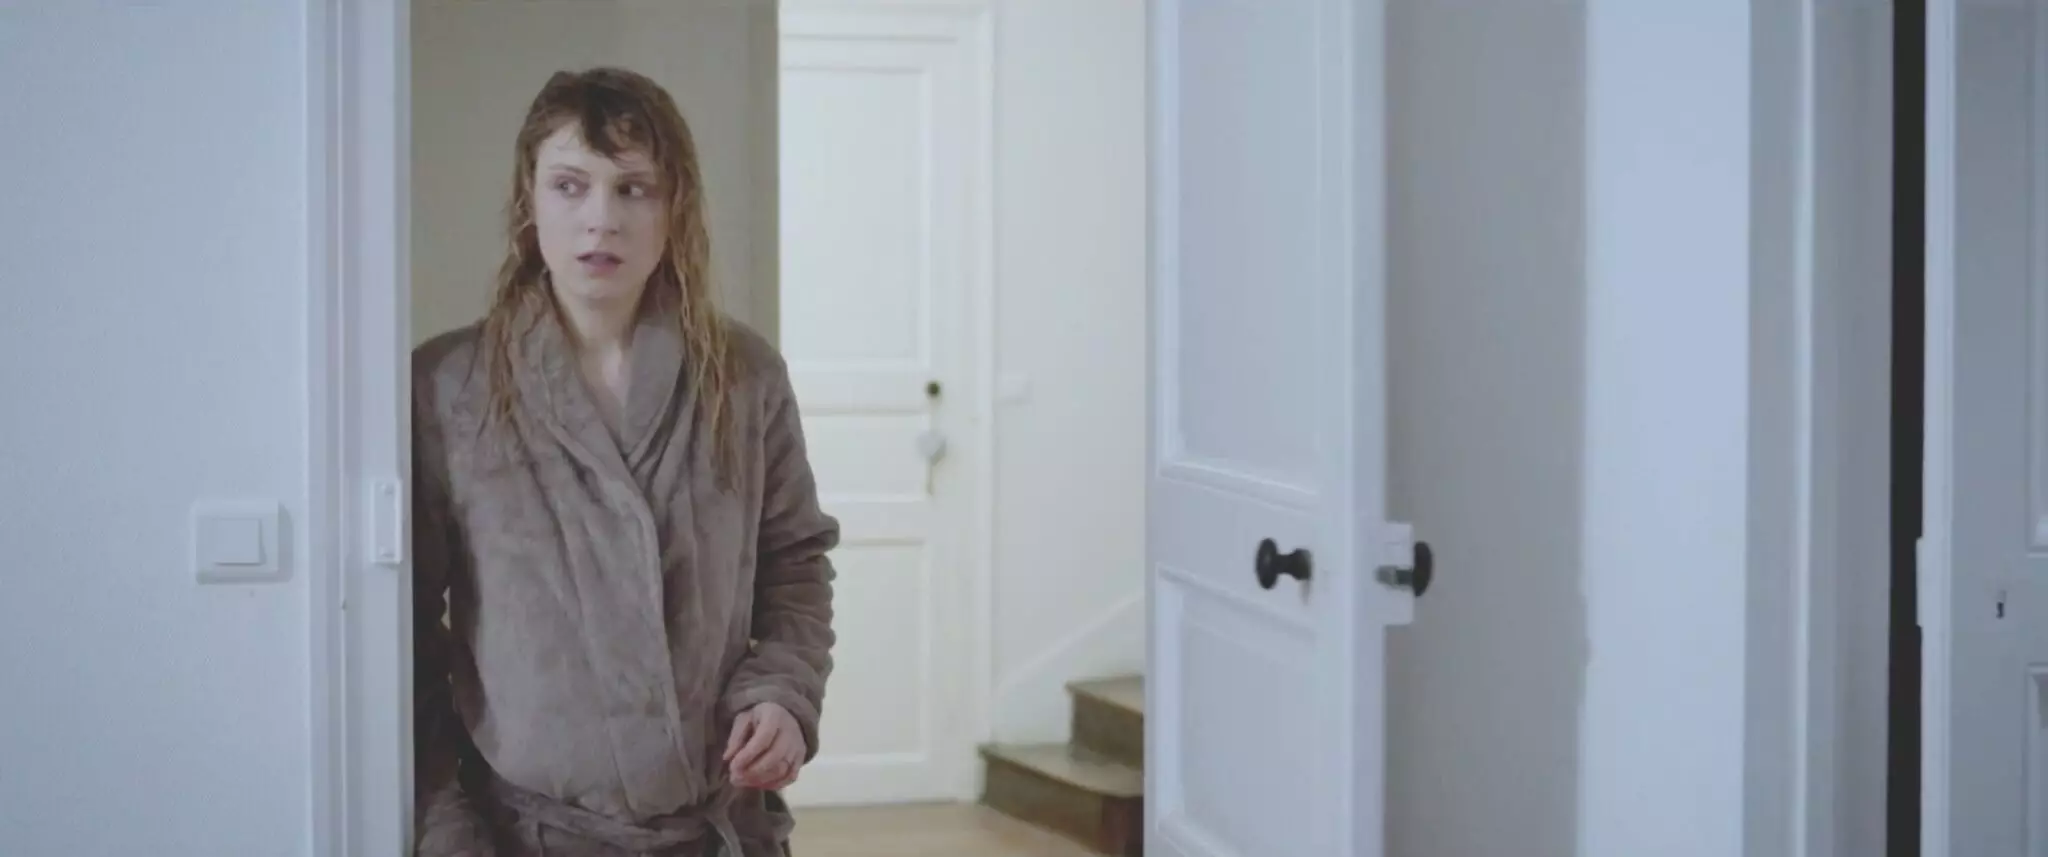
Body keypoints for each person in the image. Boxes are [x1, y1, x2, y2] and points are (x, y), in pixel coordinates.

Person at [410, 67, 838, 857]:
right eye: (570, 186)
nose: (601, 219)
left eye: (634, 189)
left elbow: (795, 563)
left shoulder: (743, 377)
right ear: (529, 202)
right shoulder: (448, 388)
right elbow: (405, 635)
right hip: (523, 835)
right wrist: (446, 830)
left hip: (717, 829)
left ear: (675, 209)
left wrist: (783, 693)